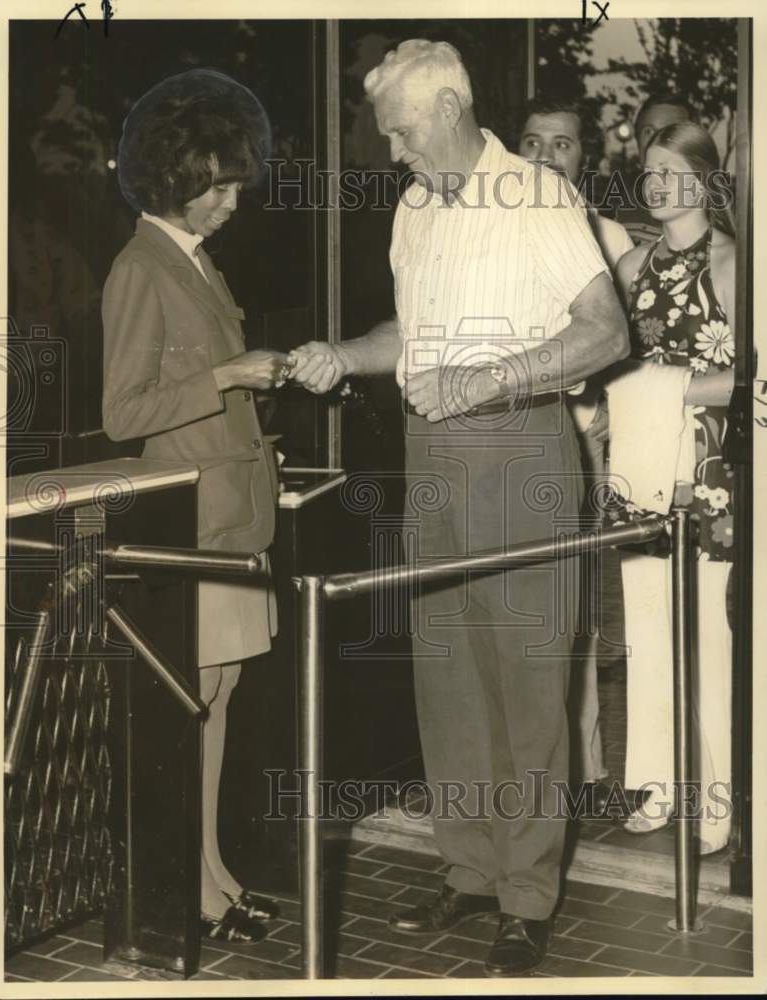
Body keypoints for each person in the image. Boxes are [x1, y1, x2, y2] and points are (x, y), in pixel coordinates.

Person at [290, 40, 628, 976]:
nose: (392, 148)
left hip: (518, 447)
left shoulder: (536, 196)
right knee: (445, 677)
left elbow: (604, 329)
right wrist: (343, 354)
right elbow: (410, 334)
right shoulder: (413, 209)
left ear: (445, 110)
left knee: (524, 682)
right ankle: (469, 866)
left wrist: (487, 380)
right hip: (428, 453)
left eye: (398, 129)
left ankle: (525, 896)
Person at [102, 69, 290, 942]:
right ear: (176, 180)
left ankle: (214, 877)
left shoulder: (195, 260)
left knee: (217, 707)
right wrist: (228, 375)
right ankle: (196, 889)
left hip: (231, 518)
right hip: (192, 527)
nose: (231, 202)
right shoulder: (141, 267)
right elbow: (123, 413)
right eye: (218, 185)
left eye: (234, 184)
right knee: (195, 714)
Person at [610, 122, 735, 853]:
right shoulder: (628, 268)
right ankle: (657, 785)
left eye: (668, 170)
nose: (655, 183)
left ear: (704, 179)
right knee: (647, 627)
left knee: (709, 637)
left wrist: (662, 387)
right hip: (639, 465)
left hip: (709, 471)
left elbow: (749, 379)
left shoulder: (730, 263)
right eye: (646, 171)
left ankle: (717, 800)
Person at [518, 98, 634, 808]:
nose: (543, 158)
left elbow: (631, 339)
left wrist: (611, 413)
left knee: (583, 610)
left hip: (582, 442)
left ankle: (585, 769)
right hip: (512, 440)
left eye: (561, 145)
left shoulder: (608, 234)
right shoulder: (491, 231)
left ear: (582, 157)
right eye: (531, 142)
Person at [617, 94, 696, 246]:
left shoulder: (716, 212)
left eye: (671, 131)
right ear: (637, 140)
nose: (657, 141)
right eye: (648, 131)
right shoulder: (614, 206)